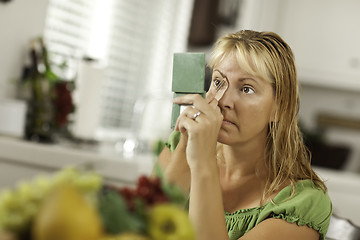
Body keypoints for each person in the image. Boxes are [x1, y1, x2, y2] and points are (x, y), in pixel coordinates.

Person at [154, 30, 332, 240]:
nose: (223, 101)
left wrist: (203, 162)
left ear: (280, 109)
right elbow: (143, 231)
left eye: (246, 89)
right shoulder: (178, 147)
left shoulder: (301, 204)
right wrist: (186, 144)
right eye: (218, 82)